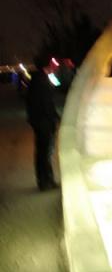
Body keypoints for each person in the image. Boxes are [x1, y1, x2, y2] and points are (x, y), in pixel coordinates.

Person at [25, 56, 60, 191]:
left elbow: (56, 88)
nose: (54, 66)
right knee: (45, 153)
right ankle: (46, 182)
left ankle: (44, 181)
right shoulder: (41, 81)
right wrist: (53, 119)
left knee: (42, 153)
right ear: (46, 66)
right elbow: (46, 104)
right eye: (52, 64)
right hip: (43, 122)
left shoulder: (38, 79)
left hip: (39, 121)